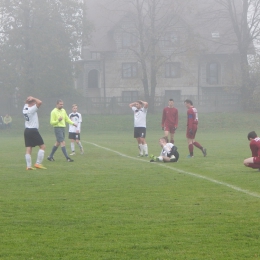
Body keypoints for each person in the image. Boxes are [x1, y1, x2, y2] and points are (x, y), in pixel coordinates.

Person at [23, 96, 46, 170]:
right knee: (42, 146)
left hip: (27, 130)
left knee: (29, 148)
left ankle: (28, 166)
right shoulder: (32, 109)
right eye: (34, 102)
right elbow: (40, 102)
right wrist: (33, 98)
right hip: (33, 130)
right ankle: (38, 164)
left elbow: (26, 103)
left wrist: (28, 99)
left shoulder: (25, 108)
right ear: (32, 103)